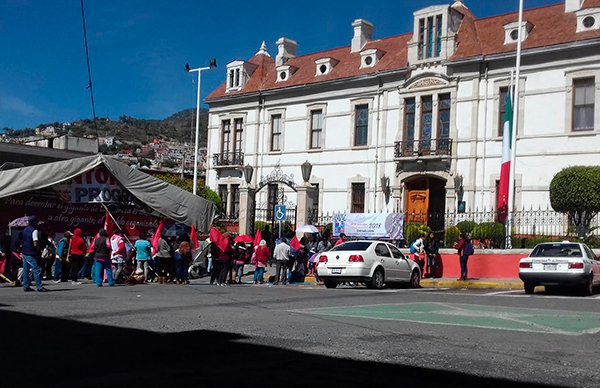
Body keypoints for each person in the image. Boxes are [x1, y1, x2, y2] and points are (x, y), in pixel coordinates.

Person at [20, 216, 46, 292]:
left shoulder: (25, 230)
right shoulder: (34, 231)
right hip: (31, 252)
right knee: (36, 270)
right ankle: (39, 286)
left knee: (26, 270)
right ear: (35, 222)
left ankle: (26, 285)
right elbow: (35, 243)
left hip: (24, 251)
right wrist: (38, 250)